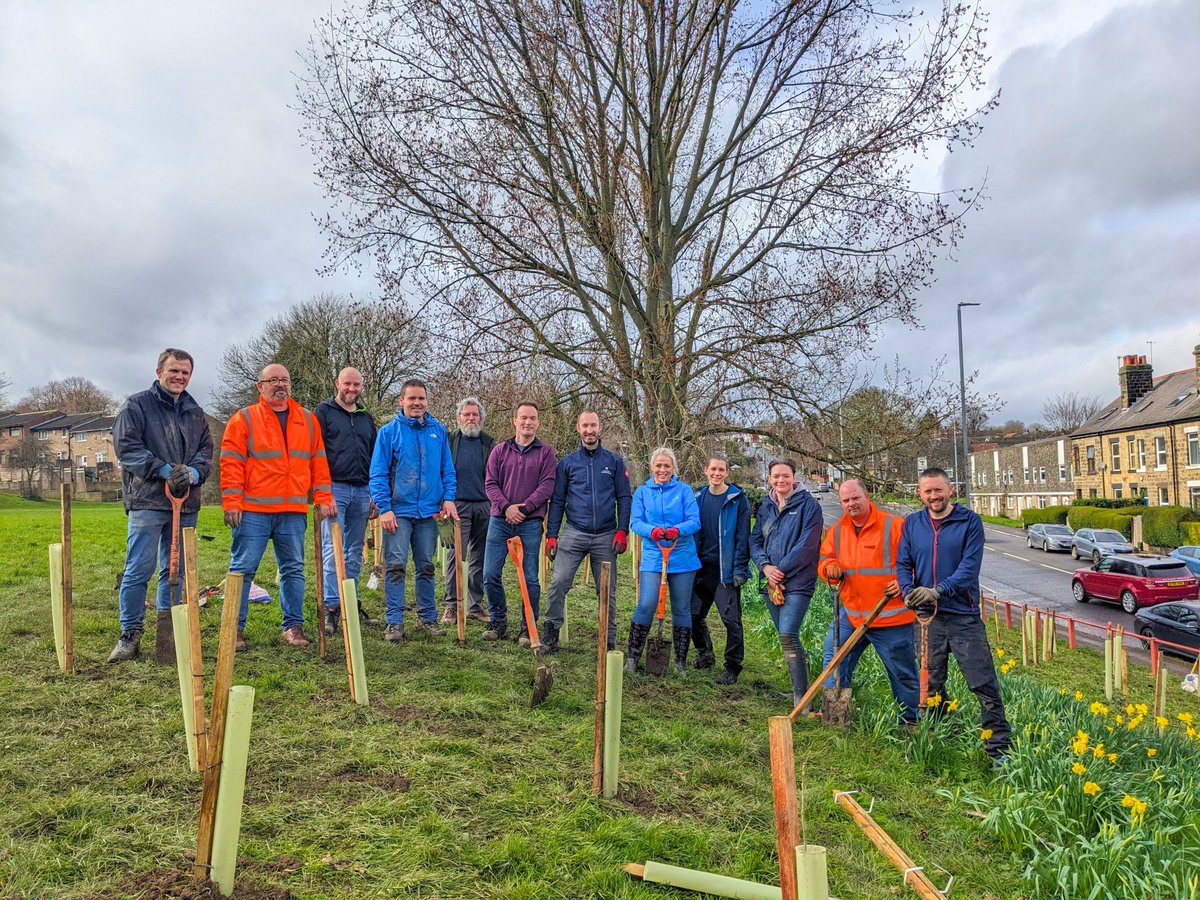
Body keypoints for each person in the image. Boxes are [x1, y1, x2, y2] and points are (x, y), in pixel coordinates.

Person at [896, 467, 1012, 765]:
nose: (933, 496)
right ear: (919, 494)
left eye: (938, 490)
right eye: (927, 491)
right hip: (926, 618)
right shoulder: (912, 523)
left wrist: (939, 590)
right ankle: (939, 732)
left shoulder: (970, 522)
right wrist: (909, 591)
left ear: (950, 490)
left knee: (982, 682)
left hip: (963, 616)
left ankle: (999, 750)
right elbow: (902, 563)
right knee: (931, 684)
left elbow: (969, 568)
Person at [108, 349, 213, 663]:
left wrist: (194, 472)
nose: (179, 377)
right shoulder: (137, 406)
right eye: (174, 371)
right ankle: (130, 635)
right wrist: (164, 470)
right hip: (147, 500)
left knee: (176, 569)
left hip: (186, 503)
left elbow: (206, 452)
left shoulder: (196, 413)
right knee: (139, 568)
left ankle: (169, 631)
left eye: (185, 372)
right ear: (159, 371)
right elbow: (127, 449)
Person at [221, 363, 335, 649]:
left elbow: (319, 463)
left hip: (292, 512)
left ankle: (293, 627)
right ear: (261, 386)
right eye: (273, 380)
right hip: (253, 511)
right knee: (243, 569)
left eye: (284, 379)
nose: (280, 385)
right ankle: (234, 629)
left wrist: (322, 497)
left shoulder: (308, 420)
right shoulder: (244, 419)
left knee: (293, 570)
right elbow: (231, 464)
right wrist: (232, 502)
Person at [817, 479, 919, 724]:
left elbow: (919, 562)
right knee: (834, 661)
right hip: (852, 614)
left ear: (867, 496)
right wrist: (830, 568)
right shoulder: (838, 531)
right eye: (846, 500)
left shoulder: (895, 526)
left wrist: (906, 582)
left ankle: (912, 723)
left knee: (902, 673)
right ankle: (835, 718)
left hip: (891, 617)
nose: (851, 504)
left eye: (855, 498)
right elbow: (825, 558)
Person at [368, 378, 458, 642]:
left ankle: (427, 618)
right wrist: (384, 507)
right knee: (395, 566)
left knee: (426, 566)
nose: (417, 403)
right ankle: (394, 621)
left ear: (427, 401)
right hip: (399, 512)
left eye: (421, 398)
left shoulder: (438, 431)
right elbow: (378, 473)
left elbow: (447, 469)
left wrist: (449, 498)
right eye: (412, 398)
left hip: (429, 513)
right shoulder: (388, 433)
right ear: (402, 401)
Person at [541, 410, 632, 652]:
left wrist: (623, 530)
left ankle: (607, 640)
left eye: (593, 425)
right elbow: (557, 501)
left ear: (600, 428)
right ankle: (550, 634)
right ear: (578, 428)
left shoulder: (614, 462)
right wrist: (552, 535)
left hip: (605, 535)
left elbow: (624, 497)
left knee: (607, 591)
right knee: (559, 582)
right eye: (585, 426)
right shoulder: (568, 464)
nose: (589, 430)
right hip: (574, 532)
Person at [749, 459, 823, 708]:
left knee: (788, 633)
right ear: (769, 479)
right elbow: (755, 540)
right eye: (776, 476)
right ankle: (796, 691)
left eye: (786, 476)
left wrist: (781, 570)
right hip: (771, 582)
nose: (781, 480)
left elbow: (808, 545)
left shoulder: (809, 506)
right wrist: (765, 567)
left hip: (798, 581)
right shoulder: (766, 506)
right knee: (785, 636)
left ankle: (802, 700)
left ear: (794, 477)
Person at [481, 402, 557, 644]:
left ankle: (528, 626)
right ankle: (498, 621)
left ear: (538, 422)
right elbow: (491, 484)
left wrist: (524, 508)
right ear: (514, 420)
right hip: (500, 520)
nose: (528, 422)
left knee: (531, 578)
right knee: (490, 573)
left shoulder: (546, 453)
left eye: (532, 418)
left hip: (530, 522)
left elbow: (547, 485)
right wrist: (507, 508)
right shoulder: (499, 451)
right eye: (523, 417)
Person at [314, 367, 378, 636]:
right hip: (335, 489)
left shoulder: (366, 418)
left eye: (357, 385)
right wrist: (323, 493)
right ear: (337, 383)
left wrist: (375, 493)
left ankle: (348, 602)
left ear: (362, 386)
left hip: (362, 490)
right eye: (347, 384)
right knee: (332, 550)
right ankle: (331, 607)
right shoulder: (324, 413)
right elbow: (314, 453)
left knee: (354, 550)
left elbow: (376, 457)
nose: (351, 389)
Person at [627, 447, 701, 674]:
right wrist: (654, 531)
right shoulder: (642, 492)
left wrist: (676, 530)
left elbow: (694, 521)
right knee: (646, 603)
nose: (662, 470)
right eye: (658, 465)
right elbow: (636, 522)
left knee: (681, 609)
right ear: (651, 467)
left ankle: (679, 662)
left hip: (682, 556)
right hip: (653, 555)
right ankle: (632, 658)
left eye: (667, 466)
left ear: (674, 469)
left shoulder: (684, 490)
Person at [690, 455, 750, 684]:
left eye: (721, 470)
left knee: (731, 620)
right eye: (712, 469)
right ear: (706, 470)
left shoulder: (737, 500)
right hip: (700, 568)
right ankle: (705, 654)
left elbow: (743, 536)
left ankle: (732, 666)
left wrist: (740, 569)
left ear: (727, 473)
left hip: (725, 570)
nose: (716, 473)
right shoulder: (697, 498)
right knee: (694, 615)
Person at [440, 397, 494, 624]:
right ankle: (452, 605)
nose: (471, 418)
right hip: (456, 505)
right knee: (456, 555)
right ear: (458, 418)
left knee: (480, 557)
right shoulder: (449, 441)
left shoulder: (489, 443)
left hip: (484, 505)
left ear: (481, 418)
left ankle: (474, 605)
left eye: (475, 415)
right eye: (467, 414)